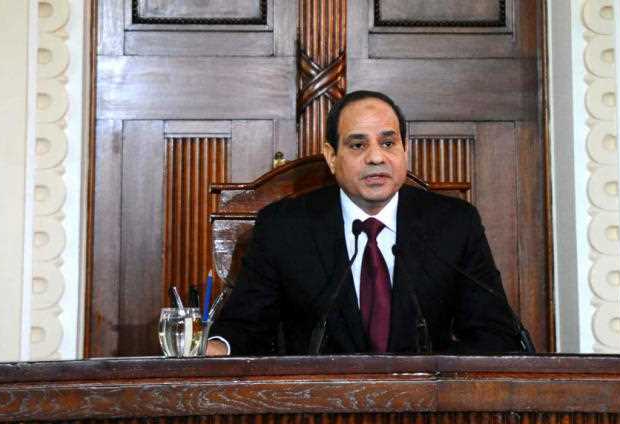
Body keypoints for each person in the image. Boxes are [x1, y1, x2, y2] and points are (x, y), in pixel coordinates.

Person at [206, 90, 525, 356]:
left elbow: (494, 333)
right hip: (319, 405)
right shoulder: (284, 228)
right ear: (331, 156)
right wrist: (214, 349)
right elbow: (243, 328)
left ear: (404, 149)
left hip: (426, 405)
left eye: (388, 143)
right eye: (358, 145)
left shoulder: (454, 224)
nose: (376, 157)